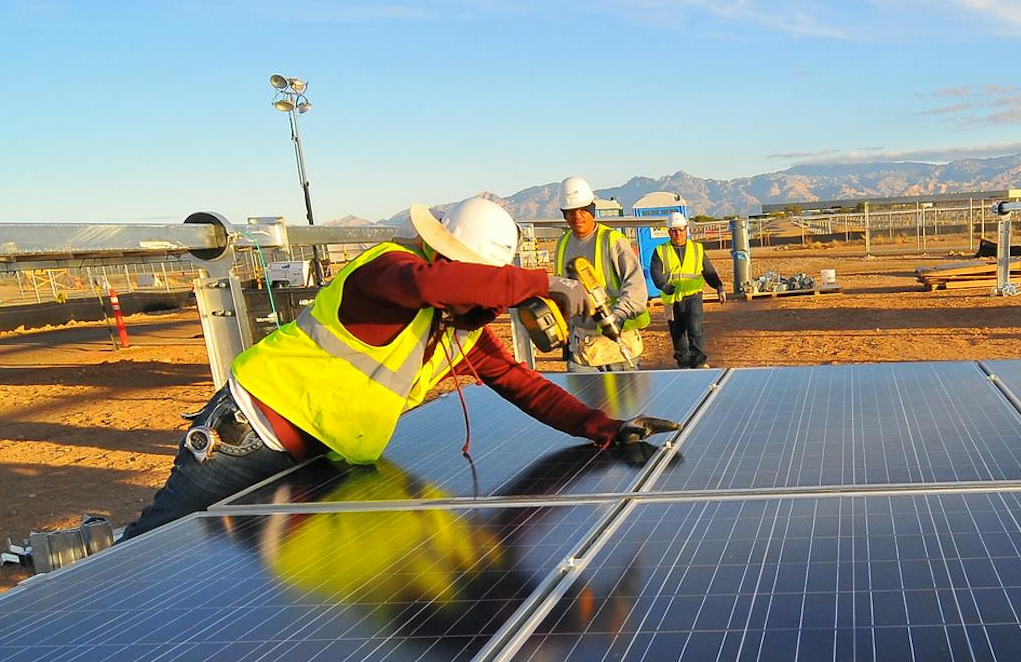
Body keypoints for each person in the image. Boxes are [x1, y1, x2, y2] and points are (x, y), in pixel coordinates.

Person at [122, 196, 678, 538]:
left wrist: (603, 427)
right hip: (243, 437)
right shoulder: (387, 272)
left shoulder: (460, 330)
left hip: (313, 463)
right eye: (478, 279)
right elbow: (430, 286)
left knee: (212, 562)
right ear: (444, 256)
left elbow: (522, 384)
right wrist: (546, 282)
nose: (483, 302)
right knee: (151, 549)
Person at [552, 175, 650, 372]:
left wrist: (619, 316)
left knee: (626, 402)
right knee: (582, 402)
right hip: (583, 346)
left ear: (592, 209)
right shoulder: (562, 244)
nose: (577, 216)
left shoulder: (613, 241)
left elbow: (637, 287)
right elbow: (560, 290)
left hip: (619, 345)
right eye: (570, 211)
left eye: (582, 210)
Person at [650, 210, 721, 368]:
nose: (678, 234)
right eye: (674, 230)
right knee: (678, 333)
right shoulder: (660, 250)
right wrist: (663, 285)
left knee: (695, 329)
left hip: (693, 297)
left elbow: (708, 270)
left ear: (686, 229)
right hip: (672, 299)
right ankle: (683, 361)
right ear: (669, 232)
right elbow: (655, 271)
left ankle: (698, 361)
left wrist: (719, 286)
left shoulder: (697, 249)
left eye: (681, 230)